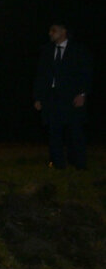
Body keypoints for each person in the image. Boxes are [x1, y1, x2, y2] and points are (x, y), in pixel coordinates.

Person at [32, 22, 91, 169]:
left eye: (54, 30)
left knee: (74, 130)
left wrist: (82, 94)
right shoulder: (47, 50)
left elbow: (86, 73)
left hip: (71, 96)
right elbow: (40, 75)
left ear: (63, 31)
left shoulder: (77, 50)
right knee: (54, 131)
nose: (50, 33)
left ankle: (79, 163)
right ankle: (58, 163)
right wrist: (38, 97)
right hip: (51, 96)